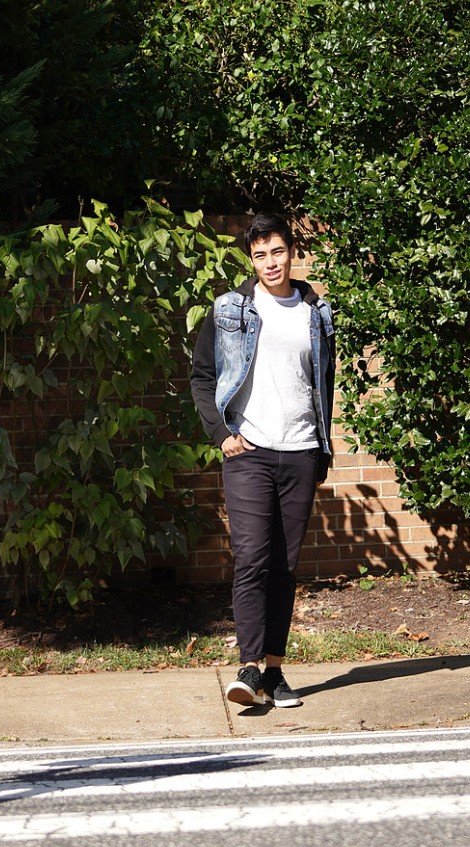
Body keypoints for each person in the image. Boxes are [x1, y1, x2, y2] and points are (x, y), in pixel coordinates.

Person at [190, 212, 335, 709]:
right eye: (259, 255)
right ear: (250, 260)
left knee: (284, 566)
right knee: (251, 559)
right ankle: (248, 668)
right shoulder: (232, 309)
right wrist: (220, 433)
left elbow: (323, 385)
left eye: (277, 251)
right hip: (249, 451)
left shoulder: (316, 312)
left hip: (299, 451)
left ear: (292, 252)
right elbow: (202, 376)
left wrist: (323, 446)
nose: (270, 263)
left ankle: (274, 671)